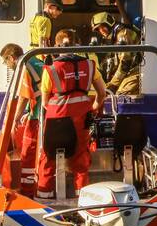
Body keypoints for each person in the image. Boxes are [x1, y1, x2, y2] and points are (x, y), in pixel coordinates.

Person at [36, 30, 107, 199]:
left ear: (57, 45)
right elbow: (102, 93)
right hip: (82, 115)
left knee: (49, 155)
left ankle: (44, 194)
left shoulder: (51, 69)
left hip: (56, 117)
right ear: (76, 45)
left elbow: (45, 101)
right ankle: (81, 194)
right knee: (81, 154)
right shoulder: (90, 65)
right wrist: (94, 107)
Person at [0, 43, 44, 197]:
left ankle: (27, 193)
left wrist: (16, 118)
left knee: (27, 154)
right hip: (46, 112)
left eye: (6, 61)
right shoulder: (36, 61)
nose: (7, 65)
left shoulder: (24, 66)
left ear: (11, 58)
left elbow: (24, 96)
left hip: (38, 116)